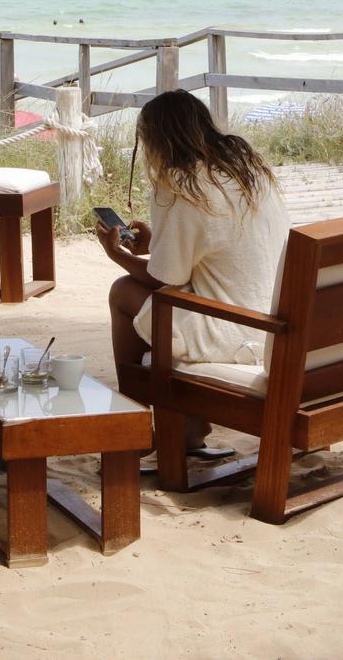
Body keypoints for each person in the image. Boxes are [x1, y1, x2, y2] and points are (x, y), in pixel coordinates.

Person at [99, 91, 289, 454]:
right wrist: (157, 244)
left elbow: (164, 279)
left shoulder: (179, 184)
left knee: (123, 292)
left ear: (155, 141)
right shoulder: (249, 172)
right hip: (274, 325)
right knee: (148, 295)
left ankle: (134, 426)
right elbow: (221, 250)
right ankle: (186, 425)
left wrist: (116, 254)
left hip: (232, 332)